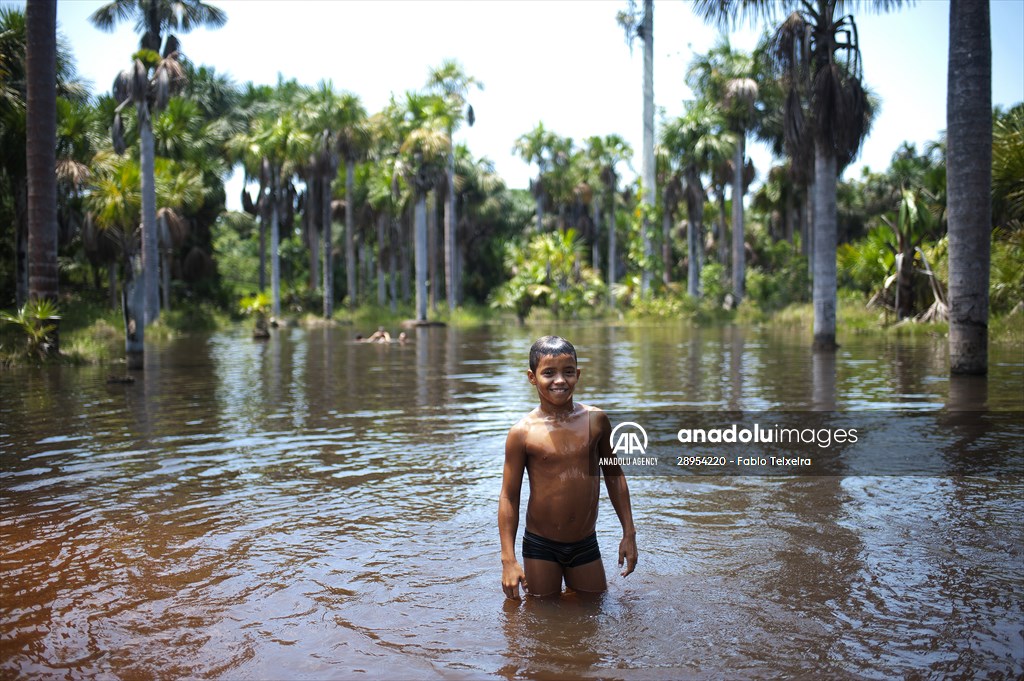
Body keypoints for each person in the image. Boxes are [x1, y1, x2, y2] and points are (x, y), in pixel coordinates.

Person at [498, 335, 638, 599]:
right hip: (541, 545)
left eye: (568, 372)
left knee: (593, 606)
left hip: (585, 542)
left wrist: (628, 533)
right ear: (532, 377)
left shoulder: (596, 420)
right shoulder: (522, 433)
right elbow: (509, 496)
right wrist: (508, 559)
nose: (560, 380)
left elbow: (614, 475)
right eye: (549, 373)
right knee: (541, 612)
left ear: (578, 374)